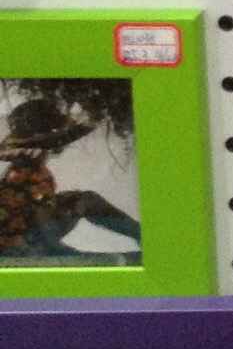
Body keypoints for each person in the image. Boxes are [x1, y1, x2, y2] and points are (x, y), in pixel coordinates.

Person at [0, 98, 142, 262]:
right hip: (18, 247)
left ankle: (142, 235)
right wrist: (64, 255)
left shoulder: (24, 164)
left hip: (23, 236)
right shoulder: (31, 171)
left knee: (85, 200)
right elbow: (40, 221)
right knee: (83, 202)